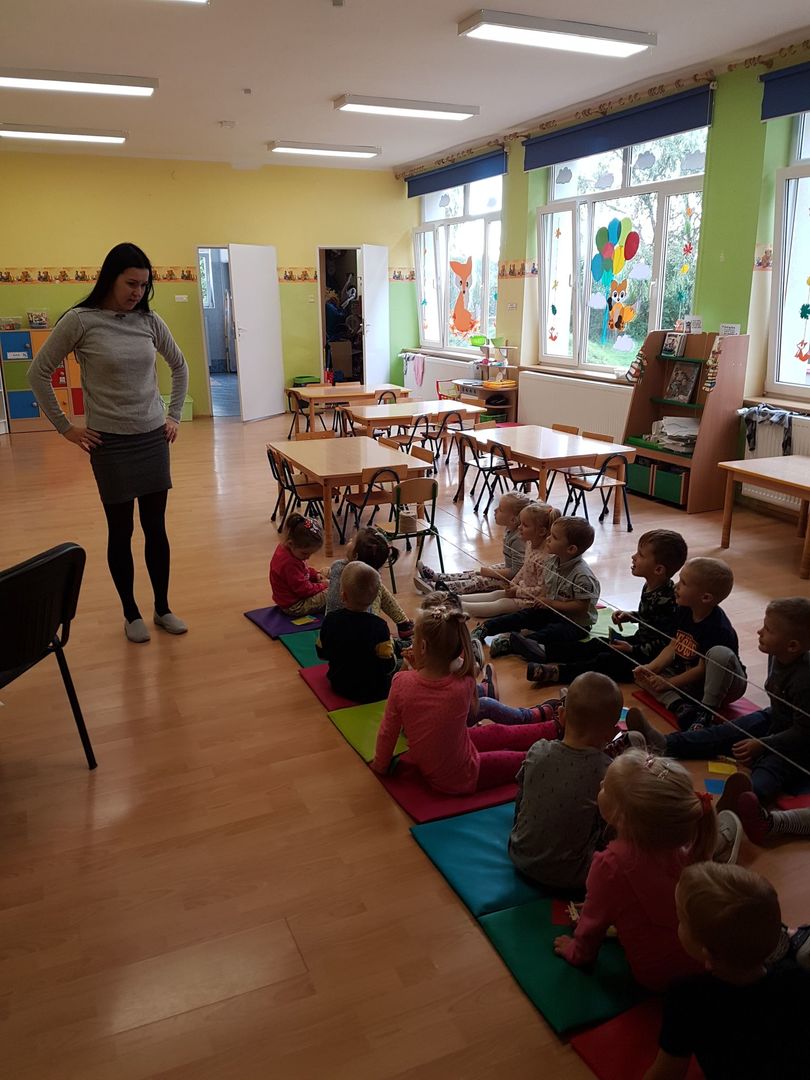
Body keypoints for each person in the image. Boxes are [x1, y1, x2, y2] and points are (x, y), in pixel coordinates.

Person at [27, 242, 189, 644]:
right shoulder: (80, 321)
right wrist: (66, 428)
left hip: (152, 437)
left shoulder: (149, 321)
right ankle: (130, 612)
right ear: (110, 278)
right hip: (111, 444)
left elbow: (180, 365)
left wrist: (172, 415)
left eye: (143, 285)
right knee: (121, 531)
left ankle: (162, 607)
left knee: (156, 528)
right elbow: (38, 372)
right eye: (131, 283)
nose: (137, 292)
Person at [553, 749, 740, 992]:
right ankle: (724, 844)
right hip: (707, 963)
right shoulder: (684, 845)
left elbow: (590, 928)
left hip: (658, 976)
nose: (600, 785)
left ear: (621, 817)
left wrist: (576, 952)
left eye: (606, 787)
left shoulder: (610, 865)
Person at [630, 597, 810, 806]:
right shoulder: (779, 654)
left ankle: (745, 801)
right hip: (776, 718)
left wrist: (763, 745)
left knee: (771, 770)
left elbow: (803, 733)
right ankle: (664, 743)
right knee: (725, 732)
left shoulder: (804, 680)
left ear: (792, 646)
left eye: (768, 630)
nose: (760, 631)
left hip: (799, 745)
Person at [371, 603, 564, 793]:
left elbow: (388, 729)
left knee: (496, 731)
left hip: (451, 753)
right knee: (523, 758)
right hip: (460, 775)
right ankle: (560, 740)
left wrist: (380, 765)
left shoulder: (400, 682)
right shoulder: (463, 684)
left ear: (422, 647)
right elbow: (457, 675)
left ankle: (554, 728)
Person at [645, 862, 810, 1079]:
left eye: (681, 920)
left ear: (708, 954)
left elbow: (667, 1073)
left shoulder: (687, 999)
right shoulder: (795, 978)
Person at [508, 673, 628, 891]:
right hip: (575, 876)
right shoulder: (608, 772)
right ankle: (633, 745)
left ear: (561, 716)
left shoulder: (538, 750)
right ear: (612, 733)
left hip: (520, 856)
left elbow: (521, 799)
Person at [525, 529, 686, 686]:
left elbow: (664, 642)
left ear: (658, 569)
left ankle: (557, 673)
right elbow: (651, 619)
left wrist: (633, 650)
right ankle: (545, 651)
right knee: (598, 644)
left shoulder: (668, 600)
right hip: (638, 643)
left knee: (606, 661)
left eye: (641, 555)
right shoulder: (651, 587)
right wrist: (631, 615)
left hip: (648, 657)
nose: (633, 557)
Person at [632, 557, 746, 730]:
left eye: (683, 583)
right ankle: (680, 707)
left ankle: (707, 711)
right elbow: (673, 645)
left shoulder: (718, 627)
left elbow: (702, 669)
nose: (676, 586)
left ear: (705, 597)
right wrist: (651, 668)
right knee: (644, 678)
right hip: (691, 680)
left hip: (722, 685)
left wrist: (670, 683)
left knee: (719, 654)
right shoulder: (683, 609)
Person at [481, 516, 601, 659]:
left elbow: (581, 607)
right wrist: (543, 598)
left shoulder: (582, 576)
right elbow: (548, 586)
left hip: (575, 624)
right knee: (524, 615)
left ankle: (513, 644)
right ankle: (485, 628)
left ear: (571, 549)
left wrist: (551, 603)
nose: (548, 539)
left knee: (552, 633)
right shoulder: (552, 561)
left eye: (554, 537)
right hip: (553, 612)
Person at [415, 491, 531, 596]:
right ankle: (437, 577)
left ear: (513, 520)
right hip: (509, 569)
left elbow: (516, 572)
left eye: (500, 509)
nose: (495, 510)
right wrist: (490, 571)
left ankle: (440, 587)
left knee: (479, 581)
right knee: (475, 573)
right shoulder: (511, 529)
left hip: (515, 580)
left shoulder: (519, 539)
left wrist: (491, 572)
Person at [462, 502, 559, 622]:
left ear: (542, 531)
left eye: (525, 525)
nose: (519, 528)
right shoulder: (530, 544)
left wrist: (517, 591)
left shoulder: (545, 559)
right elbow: (525, 568)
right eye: (520, 523)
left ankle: (461, 607)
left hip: (532, 601)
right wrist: (514, 583)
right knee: (496, 594)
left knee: (501, 604)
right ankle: (458, 599)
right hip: (522, 590)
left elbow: (541, 590)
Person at [316, 562, 396, 703]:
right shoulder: (379, 626)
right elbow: (388, 665)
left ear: (343, 596)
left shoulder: (331, 619)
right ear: (374, 598)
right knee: (403, 663)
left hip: (339, 684)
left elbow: (322, 654)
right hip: (375, 690)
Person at [325, 527, 413, 643]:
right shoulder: (372, 576)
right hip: (365, 629)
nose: (350, 540)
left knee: (376, 586)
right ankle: (403, 624)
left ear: (355, 556)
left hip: (333, 628)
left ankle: (402, 625)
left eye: (353, 541)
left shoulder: (338, 566)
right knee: (377, 586)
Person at [269, 513, 328, 616]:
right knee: (332, 594)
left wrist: (315, 575)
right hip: (295, 605)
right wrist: (323, 586)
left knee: (326, 571)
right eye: (305, 553)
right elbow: (304, 590)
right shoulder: (289, 563)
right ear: (291, 544)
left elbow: (303, 570)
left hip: (298, 592)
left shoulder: (290, 550)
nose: (308, 557)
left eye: (311, 554)